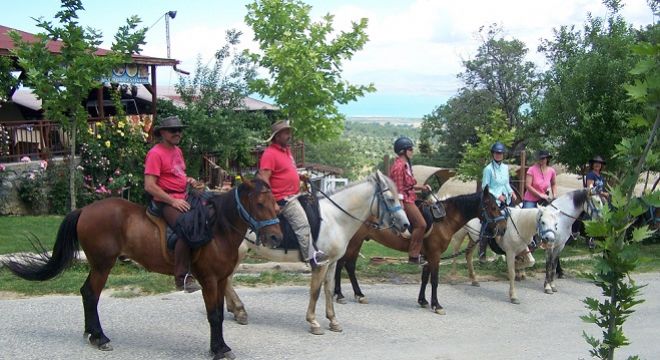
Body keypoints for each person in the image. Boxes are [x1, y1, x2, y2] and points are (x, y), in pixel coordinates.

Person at [258, 120, 329, 269]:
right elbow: (263, 178)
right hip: (283, 198)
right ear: (277, 136)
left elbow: (286, 171)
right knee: (302, 225)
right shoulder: (269, 154)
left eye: (289, 132)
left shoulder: (287, 152)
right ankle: (311, 257)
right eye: (285, 133)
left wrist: (299, 176)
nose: (289, 135)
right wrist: (272, 202)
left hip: (295, 194)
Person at [144, 116, 201, 293]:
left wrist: (189, 180)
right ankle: (182, 277)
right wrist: (173, 201)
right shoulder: (155, 153)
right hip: (165, 201)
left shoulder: (177, 151)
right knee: (187, 227)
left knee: (207, 214)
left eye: (179, 130)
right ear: (162, 133)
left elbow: (177, 175)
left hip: (182, 196)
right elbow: (150, 186)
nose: (177, 133)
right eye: (173, 130)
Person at [389, 136, 431, 265]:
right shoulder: (398, 167)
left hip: (410, 197)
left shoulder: (406, 165)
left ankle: (425, 251)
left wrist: (422, 187)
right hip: (404, 200)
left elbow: (408, 185)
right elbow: (397, 187)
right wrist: (400, 205)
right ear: (403, 151)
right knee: (421, 224)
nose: (412, 151)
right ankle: (413, 255)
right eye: (410, 149)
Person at [479, 141, 517, 262]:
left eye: (500, 153)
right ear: (493, 154)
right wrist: (497, 195)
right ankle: (482, 251)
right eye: (496, 153)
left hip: (506, 198)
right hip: (492, 200)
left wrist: (511, 192)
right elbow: (485, 187)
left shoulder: (505, 168)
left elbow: (506, 183)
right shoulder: (488, 169)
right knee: (486, 223)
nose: (498, 155)